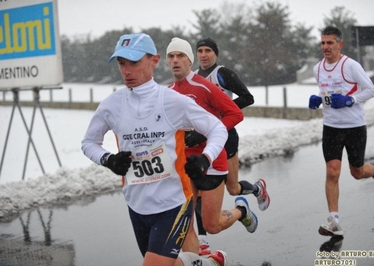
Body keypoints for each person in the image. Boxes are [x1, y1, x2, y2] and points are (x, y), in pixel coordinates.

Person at [81, 33, 229, 266]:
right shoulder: (112, 104)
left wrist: (205, 159)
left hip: (173, 203)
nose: (126, 70)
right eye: (121, 63)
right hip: (136, 204)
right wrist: (108, 159)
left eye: (134, 62)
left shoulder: (172, 101)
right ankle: (207, 263)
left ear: (154, 60)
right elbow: (88, 143)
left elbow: (218, 129)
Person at [166, 37, 259, 255]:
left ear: (190, 61)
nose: (175, 60)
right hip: (185, 163)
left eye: (180, 55)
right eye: (171, 56)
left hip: (211, 160)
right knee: (184, 224)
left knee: (212, 225)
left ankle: (241, 210)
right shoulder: (167, 91)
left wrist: (203, 134)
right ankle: (201, 259)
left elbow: (235, 114)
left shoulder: (204, 86)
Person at [308, 26, 374, 237]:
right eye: (323, 43)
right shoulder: (318, 68)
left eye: (330, 43)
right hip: (331, 127)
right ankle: (334, 221)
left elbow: (371, 89)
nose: (325, 47)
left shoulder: (350, 65)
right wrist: (318, 99)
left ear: (339, 44)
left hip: (354, 127)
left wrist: (350, 100)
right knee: (332, 171)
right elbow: (325, 90)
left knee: (357, 172)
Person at [195, 37, 271, 255]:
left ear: (215, 54)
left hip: (226, 136)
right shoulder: (194, 78)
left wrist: (222, 110)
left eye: (208, 50)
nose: (203, 54)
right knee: (200, 190)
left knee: (232, 188)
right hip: (204, 139)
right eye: (200, 50)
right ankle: (203, 241)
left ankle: (256, 189)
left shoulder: (222, 73)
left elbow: (248, 97)